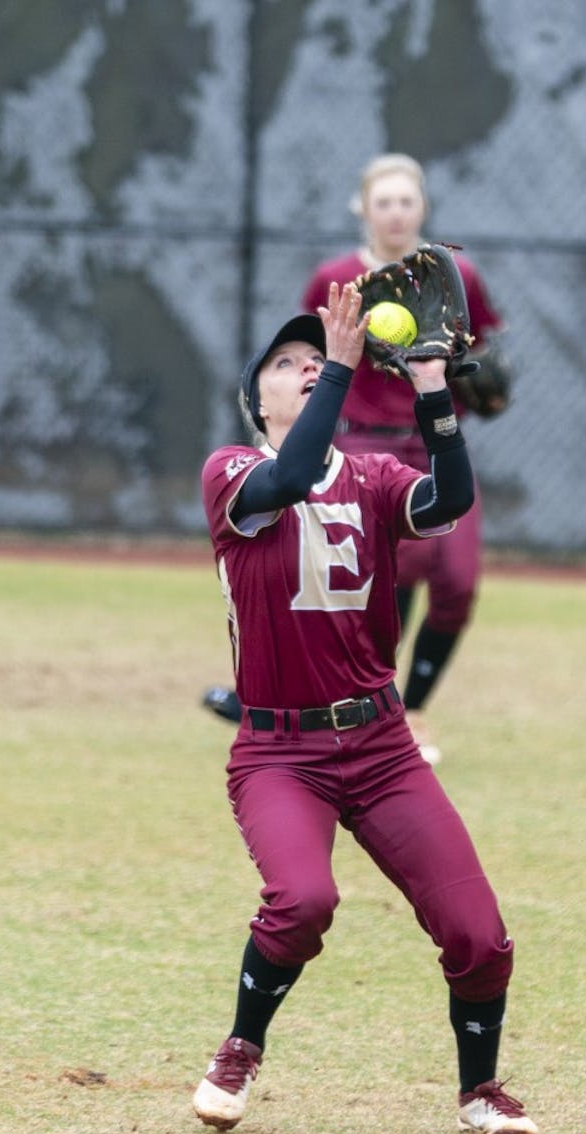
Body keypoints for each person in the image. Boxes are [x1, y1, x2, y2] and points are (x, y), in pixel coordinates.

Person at [193, 279, 537, 1134]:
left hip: (381, 743)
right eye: (287, 364)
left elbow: (448, 501)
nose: (308, 368)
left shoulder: (378, 478)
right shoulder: (232, 473)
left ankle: (479, 1091)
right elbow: (298, 470)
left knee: (480, 935)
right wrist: (345, 371)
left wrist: (432, 393)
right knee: (303, 901)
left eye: (318, 358)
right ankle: (238, 1050)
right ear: (256, 398)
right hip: (280, 751)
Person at [203, 153, 508, 765]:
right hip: (361, 439)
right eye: (384, 201)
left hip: (430, 437)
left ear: (422, 206)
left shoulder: (455, 274)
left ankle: (412, 705)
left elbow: (487, 348)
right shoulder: (337, 277)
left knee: (458, 581)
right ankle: (348, 703)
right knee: (375, 577)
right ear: (364, 210)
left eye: (406, 201)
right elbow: (312, 348)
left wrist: (482, 377)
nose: (395, 212)